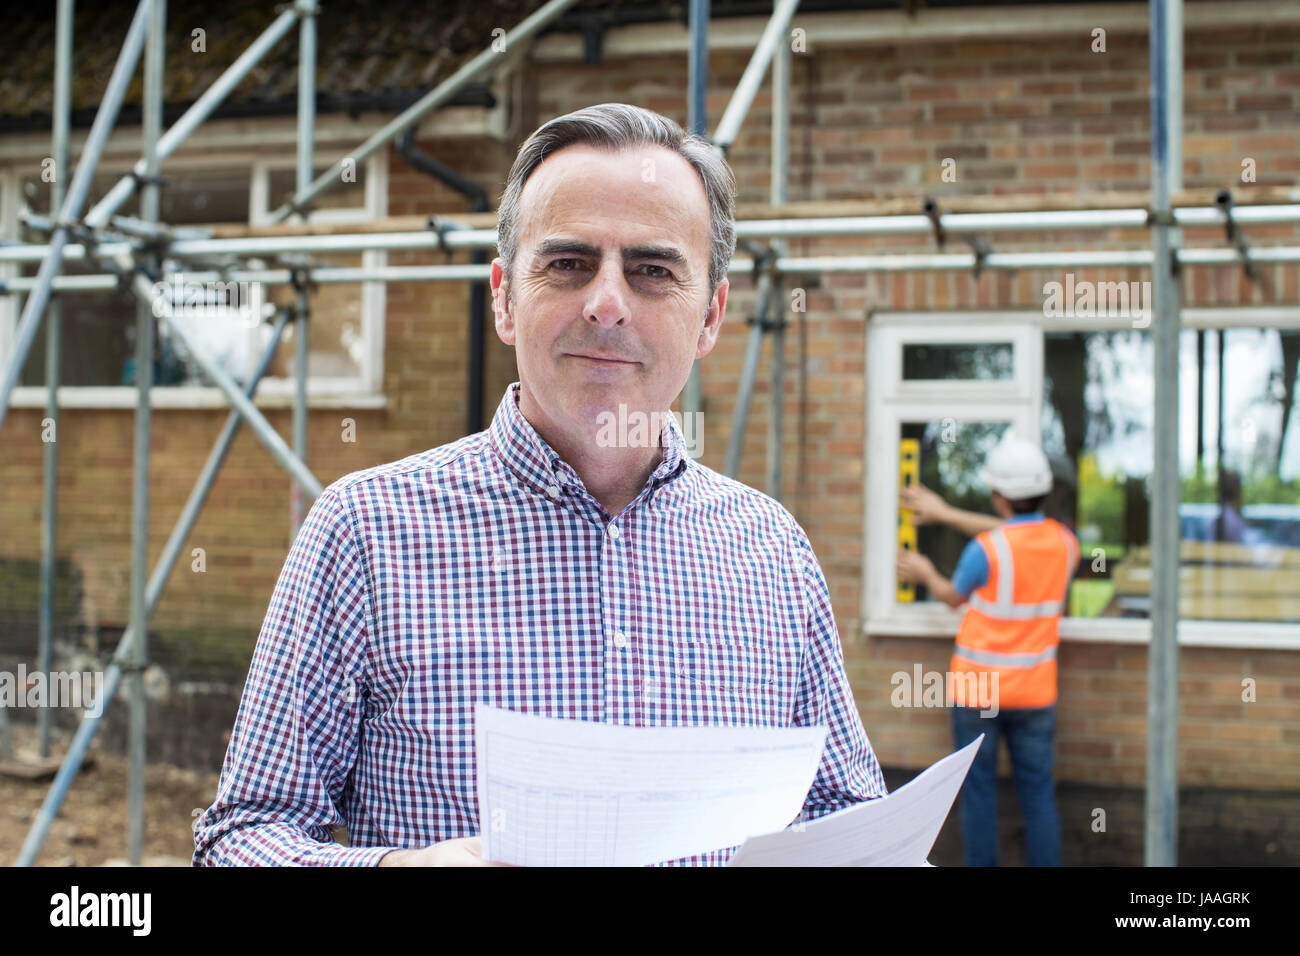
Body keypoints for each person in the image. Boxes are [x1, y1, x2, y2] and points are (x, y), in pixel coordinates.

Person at [192, 103, 887, 867]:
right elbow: (240, 838)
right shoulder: (365, 533)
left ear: (712, 315)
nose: (607, 303)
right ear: (502, 298)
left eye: (653, 271)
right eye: (568, 263)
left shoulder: (772, 552)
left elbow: (846, 820)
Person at [895, 436, 1077, 866]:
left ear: (998, 497)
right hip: (1035, 693)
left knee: (978, 794)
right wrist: (946, 513)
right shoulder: (1066, 544)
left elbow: (953, 596)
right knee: (1039, 797)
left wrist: (924, 572)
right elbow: (1020, 533)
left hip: (980, 693)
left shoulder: (986, 549)